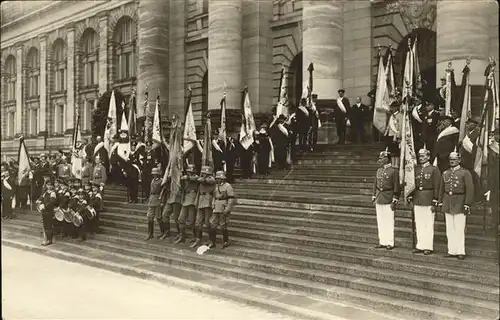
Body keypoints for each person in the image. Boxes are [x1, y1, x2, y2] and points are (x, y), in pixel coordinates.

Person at [438, 149, 474, 260]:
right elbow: (441, 189)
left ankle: (460, 251)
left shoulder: (465, 173)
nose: (452, 161)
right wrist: (440, 201)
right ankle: (451, 250)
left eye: (454, 159)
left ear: (459, 160)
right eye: (450, 159)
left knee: (459, 228)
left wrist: (467, 203)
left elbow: (470, 189)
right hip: (448, 201)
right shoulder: (446, 173)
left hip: (460, 201)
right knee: (449, 228)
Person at [408, 146, 441, 255]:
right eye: (419, 156)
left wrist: (435, 200)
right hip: (418, 198)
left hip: (428, 198)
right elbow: (413, 185)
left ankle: (428, 246)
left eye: (423, 156)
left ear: (428, 156)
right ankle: (420, 245)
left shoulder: (434, 169)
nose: (421, 158)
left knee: (428, 224)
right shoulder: (416, 169)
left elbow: (437, 186)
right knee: (419, 223)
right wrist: (411, 197)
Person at [371, 148, 400, 250]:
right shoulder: (379, 170)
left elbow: (396, 186)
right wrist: (374, 196)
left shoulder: (393, 171)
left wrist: (395, 199)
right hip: (380, 197)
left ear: (387, 159)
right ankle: (382, 241)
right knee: (381, 221)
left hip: (388, 197)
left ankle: (390, 242)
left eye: (381, 158)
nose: (379, 160)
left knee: (389, 221)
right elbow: (375, 184)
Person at [208, 171, 236, 249]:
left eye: (219, 178)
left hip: (223, 207)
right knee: (212, 224)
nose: (217, 180)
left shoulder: (228, 186)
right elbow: (214, 196)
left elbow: (231, 198)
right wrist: (213, 204)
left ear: (222, 179)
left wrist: (228, 209)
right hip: (216, 208)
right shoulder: (216, 187)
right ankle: (212, 242)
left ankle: (225, 241)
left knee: (223, 225)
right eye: (217, 178)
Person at [191, 166, 215, 248]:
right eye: (203, 173)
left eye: (205, 173)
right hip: (201, 202)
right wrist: (196, 202)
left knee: (208, 223)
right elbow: (199, 192)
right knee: (197, 223)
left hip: (208, 202)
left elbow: (209, 181)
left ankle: (211, 240)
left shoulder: (211, 179)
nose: (203, 174)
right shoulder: (201, 180)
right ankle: (198, 239)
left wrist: (202, 179)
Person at [175, 165, 199, 244]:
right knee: (180, 219)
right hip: (185, 199)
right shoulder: (185, 178)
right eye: (188, 171)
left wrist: (186, 177)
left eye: (190, 171)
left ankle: (195, 236)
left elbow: (194, 179)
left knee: (191, 220)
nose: (189, 173)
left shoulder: (196, 177)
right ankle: (182, 236)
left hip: (192, 199)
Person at [159, 172, 183, 240]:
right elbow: (164, 188)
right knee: (164, 215)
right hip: (170, 199)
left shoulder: (179, 176)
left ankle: (180, 233)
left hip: (177, 199)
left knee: (176, 217)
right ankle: (167, 232)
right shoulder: (169, 179)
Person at [36, 176, 57, 246]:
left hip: (49, 211)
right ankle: (47, 238)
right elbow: (41, 197)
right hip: (44, 211)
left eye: (50, 185)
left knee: (48, 225)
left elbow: (52, 202)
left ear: (52, 186)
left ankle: (49, 240)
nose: (49, 186)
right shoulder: (46, 192)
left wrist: (44, 206)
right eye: (48, 185)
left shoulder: (53, 193)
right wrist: (38, 200)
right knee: (45, 225)